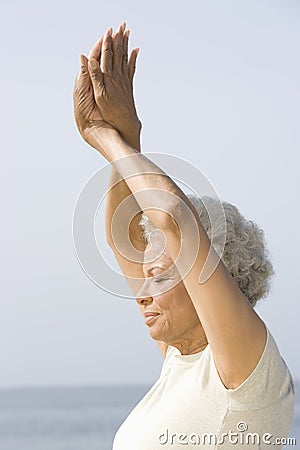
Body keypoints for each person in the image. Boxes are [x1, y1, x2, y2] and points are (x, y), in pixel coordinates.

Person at [73, 23, 295, 449]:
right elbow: (124, 236)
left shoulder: (242, 369)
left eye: (160, 276)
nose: (141, 291)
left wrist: (103, 138)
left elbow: (175, 217)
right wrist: (126, 135)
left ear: (207, 281)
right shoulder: (182, 359)